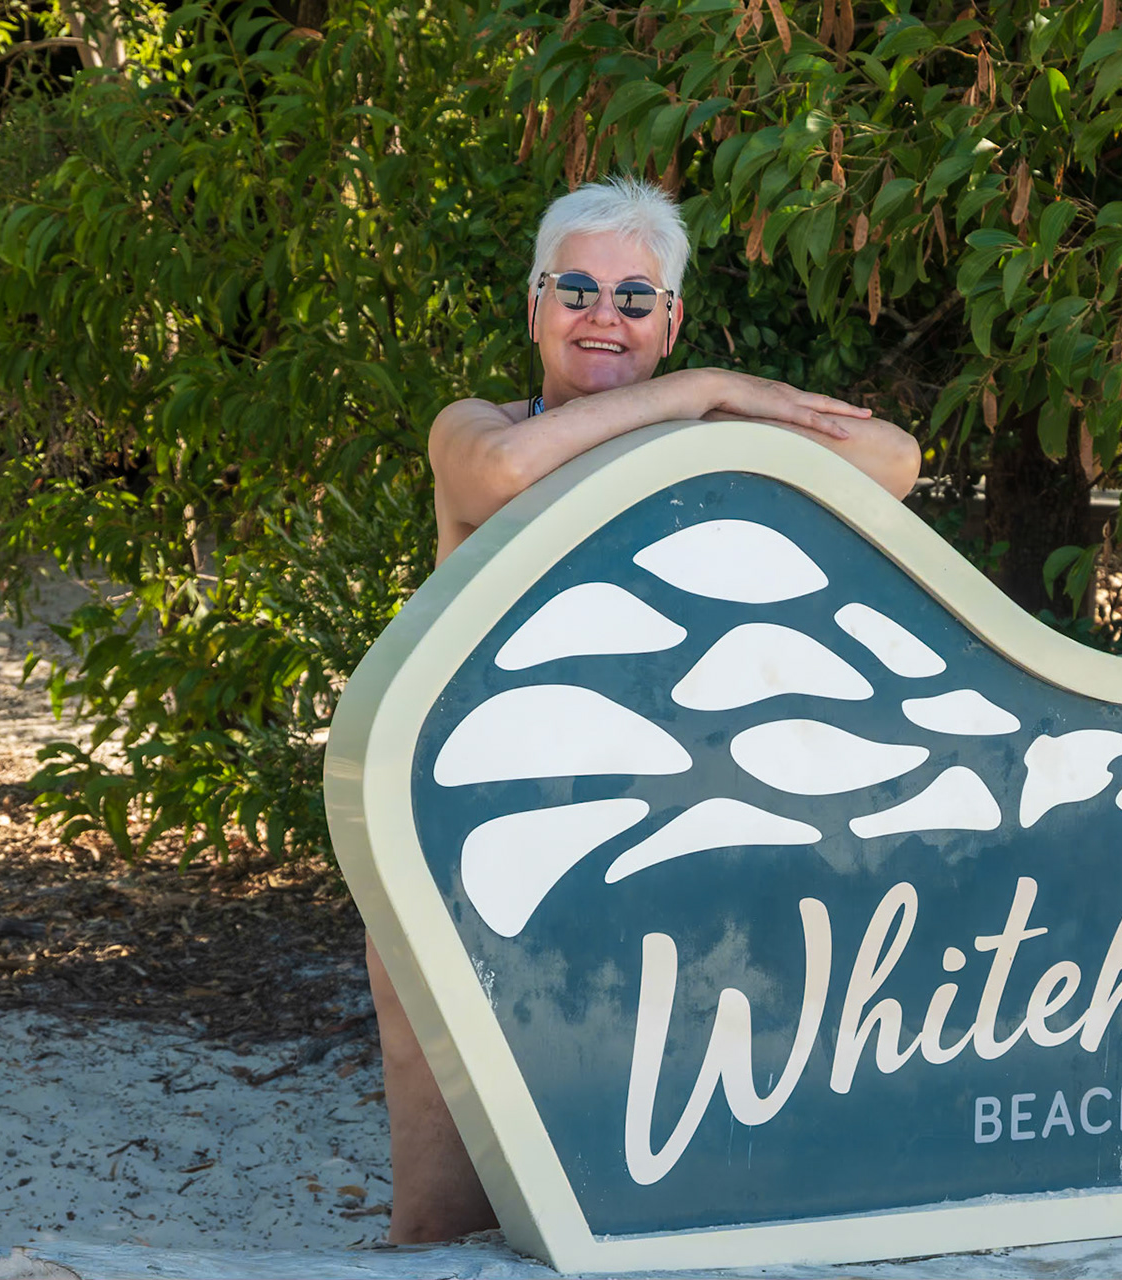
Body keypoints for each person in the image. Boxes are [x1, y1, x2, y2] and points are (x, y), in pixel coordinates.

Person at [368, 176, 922, 1243]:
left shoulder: (710, 451)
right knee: (447, 1219)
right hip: (467, 841)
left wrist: (711, 413)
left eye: (635, 298)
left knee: (634, 1189)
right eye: (577, 289)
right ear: (535, 306)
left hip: (651, 842)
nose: (603, 317)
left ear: (668, 320)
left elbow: (891, 462)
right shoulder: (479, 426)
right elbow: (505, 473)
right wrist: (701, 388)